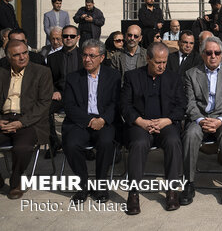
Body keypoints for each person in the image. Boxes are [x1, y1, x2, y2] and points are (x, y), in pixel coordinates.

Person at [121, 42, 187, 214]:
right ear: (148, 59)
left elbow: (181, 106)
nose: (162, 66)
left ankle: (171, 191)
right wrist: (140, 121)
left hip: (165, 123)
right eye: (158, 62)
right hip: (141, 124)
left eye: (164, 62)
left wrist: (167, 120)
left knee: (173, 141)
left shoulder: (174, 78)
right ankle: (133, 193)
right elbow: (125, 105)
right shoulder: (132, 77)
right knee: (139, 143)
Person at [181, 36, 222, 205]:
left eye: (217, 52)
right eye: (209, 52)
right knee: (190, 134)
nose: (213, 56)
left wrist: (220, 120)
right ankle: (189, 183)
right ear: (202, 54)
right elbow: (190, 103)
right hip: (200, 117)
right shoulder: (191, 74)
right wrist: (200, 120)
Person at [62, 39, 121, 203]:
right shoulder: (73, 78)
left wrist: (103, 119)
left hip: (104, 122)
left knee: (106, 142)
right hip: (80, 123)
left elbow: (116, 102)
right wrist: (90, 121)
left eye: (92, 56)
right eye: (85, 55)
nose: (87, 59)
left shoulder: (113, 76)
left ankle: (101, 185)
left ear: (102, 58)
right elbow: (69, 106)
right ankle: (83, 185)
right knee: (71, 144)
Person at [0, 39, 53, 199]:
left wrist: (21, 122)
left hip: (30, 121)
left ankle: (16, 181)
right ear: (9, 57)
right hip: (3, 118)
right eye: (17, 55)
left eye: (25, 53)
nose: (22, 57)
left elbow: (44, 104)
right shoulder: (1, 72)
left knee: (22, 148)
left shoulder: (42, 72)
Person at [46, 25, 82, 157]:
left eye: (72, 36)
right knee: (44, 110)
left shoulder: (85, 56)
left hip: (81, 96)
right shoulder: (52, 58)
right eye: (65, 36)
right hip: (60, 95)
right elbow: (47, 79)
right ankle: (54, 142)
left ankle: (86, 146)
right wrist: (54, 90)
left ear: (77, 38)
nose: (68, 38)